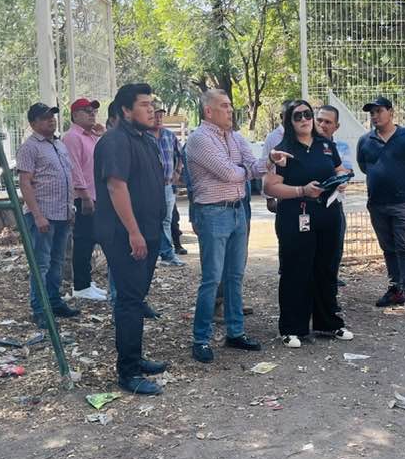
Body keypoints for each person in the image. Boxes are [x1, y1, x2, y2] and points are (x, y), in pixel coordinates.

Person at [186, 89, 289, 363]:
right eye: (224, 106)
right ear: (208, 111)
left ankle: (235, 332)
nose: (230, 110)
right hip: (213, 213)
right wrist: (248, 170)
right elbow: (231, 173)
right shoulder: (199, 139)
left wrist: (269, 160)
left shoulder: (234, 137)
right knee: (212, 278)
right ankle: (201, 338)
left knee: (234, 275)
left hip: (236, 211)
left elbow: (254, 167)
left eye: (230, 105)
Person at [94, 83, 168, 395]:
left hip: (148, 232)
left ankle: (135, 358)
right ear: (125, 110)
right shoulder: (115, 140)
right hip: (124, 235)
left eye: (152, 104)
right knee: (128, 300)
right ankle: (128, 372)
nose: (151, 110)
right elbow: (116, 187)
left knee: (136, 299)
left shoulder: (145, 140)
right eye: (143, 105)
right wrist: (134, 232)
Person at [264, 100, 354, 348]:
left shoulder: (325, 145)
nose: (304, 119)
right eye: (297, 116)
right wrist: (301, 190)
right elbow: (270, 186)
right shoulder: (283, 150)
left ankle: (329, 323)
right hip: (297, 216)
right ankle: (292, 328)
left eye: (307, 114)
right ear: (289, 121)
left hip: (328, 214)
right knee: (296, 270)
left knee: (326, 268)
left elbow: (338, 168)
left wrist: (342, 179)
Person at [356, 96, 405, 314]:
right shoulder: (365, 141)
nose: (375, 116)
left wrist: (402, 180)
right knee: (388, 247)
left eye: (379, 111)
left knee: (404, 247)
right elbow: (365, 167)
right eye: (372, 113)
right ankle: (395, 288)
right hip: (377, 203)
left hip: (403, 202)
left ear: (391, 112)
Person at [16, 102, 80, 326]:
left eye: (52, 116)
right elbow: (25, 183)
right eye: (44, 118)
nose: (51, 120)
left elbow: (67, 178)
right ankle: (39, 308)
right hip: (43, 215)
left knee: (57, 262)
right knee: (40, 264)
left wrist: (71, 208)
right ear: (33, 123)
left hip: (62, 213)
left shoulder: (59, 145)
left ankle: (54, 301)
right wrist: (37, 215)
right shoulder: (30, 147)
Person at [61, 98, 107, 301]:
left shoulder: (92, 136)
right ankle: (80, 285)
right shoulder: (72, 137)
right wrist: (85, 195)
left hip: (95, 195)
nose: (92, 114)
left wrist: (102, 134)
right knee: (83, 241)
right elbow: (74, 169)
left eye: (93, 111)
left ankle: (87, 281)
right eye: (86, 111)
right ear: (75, 115)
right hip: (84, 197)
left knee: (89, 241)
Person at [315, 105, 350, 297]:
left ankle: (329, 296)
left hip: (333, 206)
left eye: (328, 122)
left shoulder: (340, 148)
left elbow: (345, 171)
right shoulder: (303, 146)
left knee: (334, 251)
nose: (322, 125)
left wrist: (341, 179)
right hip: (308, 209)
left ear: (336, 126)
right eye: (319, 120)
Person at [149, 107, 186, 267]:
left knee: (166, 219)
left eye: (160, 116)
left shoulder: (169, 135)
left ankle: (167, 254)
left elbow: (181, 155)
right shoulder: (145, 137)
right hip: (150, 186)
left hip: (167, 185)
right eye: (155, 116)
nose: (158, 119)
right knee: (152, 220)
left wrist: (177, 171)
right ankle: (157, 254)